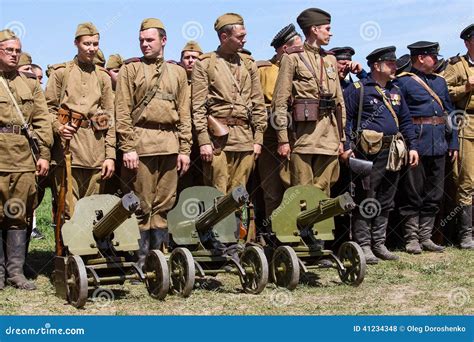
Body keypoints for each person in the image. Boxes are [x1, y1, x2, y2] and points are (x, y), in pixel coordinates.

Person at [115, 18, 192, 268]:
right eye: (141, 41)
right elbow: (122, 111)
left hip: (170, 144)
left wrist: (184, 149)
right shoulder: (130, 70)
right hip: (141, 143)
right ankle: (140, 260)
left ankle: (157, 258)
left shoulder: (178, 72)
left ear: (163, 40)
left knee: (164, 204)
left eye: (150, 40)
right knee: (141, 203)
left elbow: (184, 114)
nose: (145, 45)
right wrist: (127, 146)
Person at [341, 46, 419, 263]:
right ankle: (364, 245)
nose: (395, 67)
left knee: (386, 198)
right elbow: (345, 120)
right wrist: (347, 146)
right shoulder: (359, 89)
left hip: (392, 151)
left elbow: (405, 120)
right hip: (367, 152)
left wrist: (412, 146)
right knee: (367, 197)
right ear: (377, 65)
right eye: (390, 63)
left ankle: (379, 243)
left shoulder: (395, 90)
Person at [45, 22, 115, 219]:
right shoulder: (61, 73)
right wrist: (58, 127)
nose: (92, 49)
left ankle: (88, 250)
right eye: (87, 44)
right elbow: (47, 110)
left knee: (92, 210)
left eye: (95, 44)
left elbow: (110, 118)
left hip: (95, 152)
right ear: (76, 43)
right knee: (69, 209)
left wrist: (110, 156)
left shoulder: (103, 77)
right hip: (68, 150)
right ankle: (68, 250)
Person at [272, 8, 345, 196]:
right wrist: (283, 139)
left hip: (329, 137)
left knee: (324, 193)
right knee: (302, 193)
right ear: (314, 29)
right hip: (303, 137)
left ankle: (321, 226)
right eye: (327, 28)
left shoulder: (330, 59)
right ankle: (303, 227)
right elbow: (279, 102)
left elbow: (339, 101)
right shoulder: (292, 57)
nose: (330, 33)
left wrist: (341, 137)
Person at [191, 13, 267, 194]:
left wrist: (258, 140)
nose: (245, 40)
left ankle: (239, 224)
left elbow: (258, 104)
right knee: (217, 195)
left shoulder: (249, 64)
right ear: (224, 37)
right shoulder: (205, 64)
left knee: (239, 195)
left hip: (245, 139)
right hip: (217, 141)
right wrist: (203, 142)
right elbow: (198, 107)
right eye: (240, 36)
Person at [0, 29, 52, 289]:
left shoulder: (30, 83)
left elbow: (42, 121)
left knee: (18, 215)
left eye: (17, 50)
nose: (14, 54)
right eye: (9, 50)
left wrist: (43, 154)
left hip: (23, 158)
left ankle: (15, 272)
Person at [396, 41, 459, 253]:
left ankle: (426, 237)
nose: (437, 59)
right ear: (421, 57)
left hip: (439, 142)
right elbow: (401, 116)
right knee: (413, 192)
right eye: (433, 56)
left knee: (435, 193)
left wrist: (453, 141)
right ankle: (411, 239)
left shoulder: (440, 82)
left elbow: (450, 114)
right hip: (417, 142)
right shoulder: (403, 82)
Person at [256, 23, 301, 220]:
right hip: (271, 135)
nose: (302, 51)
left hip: (298, 133)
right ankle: (272, 234)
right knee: (272, 187)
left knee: (296, 184)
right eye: (298, 48)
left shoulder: (303, 66)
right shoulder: (263, 70)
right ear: (285, 49)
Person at [443, 23, 474, 249]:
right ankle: (466, 235)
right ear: (467, 43)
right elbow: (442, 92)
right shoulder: (456, 66)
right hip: (467, 124)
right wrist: (465, 88)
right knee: (467, 181)